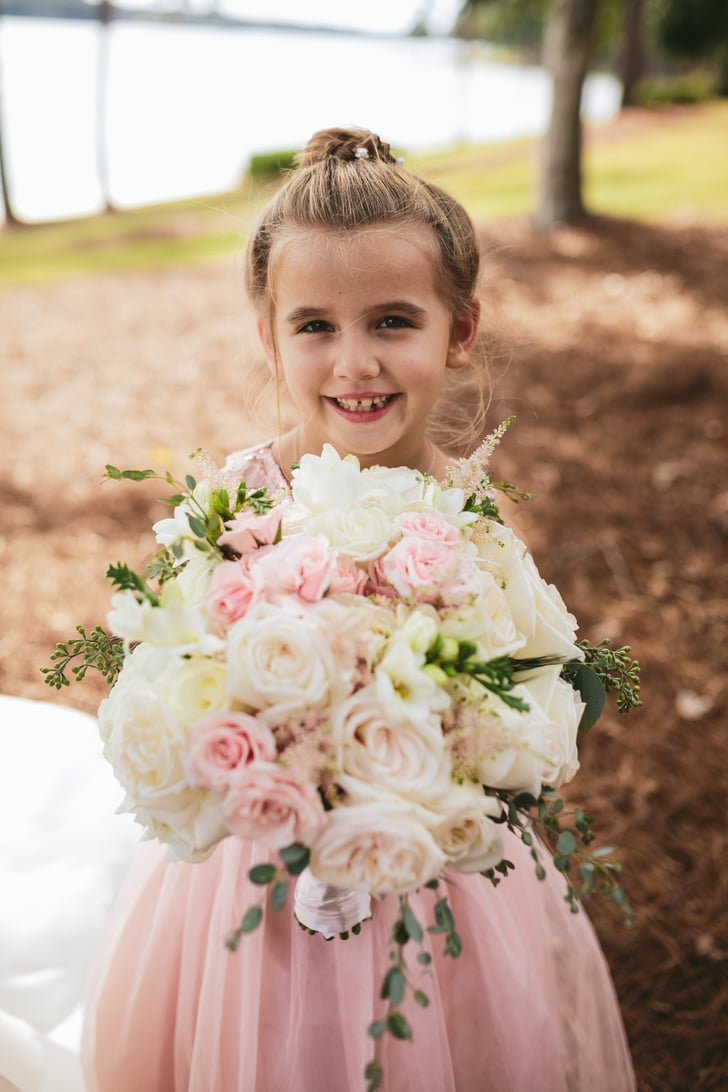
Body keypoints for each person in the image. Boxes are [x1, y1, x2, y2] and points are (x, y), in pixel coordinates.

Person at [81, 127, 636, 1092]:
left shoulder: (473, 513)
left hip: (436, 867)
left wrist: (474, 746)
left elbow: (525, 684)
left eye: (391, 321)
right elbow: (175, 675)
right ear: (270, 335)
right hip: (255, 864)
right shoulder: (238, 503)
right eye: (315, 326)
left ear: (459, 331)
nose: (354, 363)